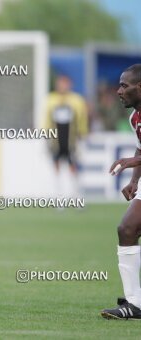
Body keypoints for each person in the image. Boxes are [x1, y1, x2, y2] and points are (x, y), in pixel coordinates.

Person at [101, 64, 141, 320]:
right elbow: (140, 149)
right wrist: (135, 180)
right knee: (126, 228)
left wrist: (131, 162)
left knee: (128, 228)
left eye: (125, 86)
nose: (119, 91)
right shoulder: (134, 117)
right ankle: (135, 302)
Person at [45, 74, 88, 195]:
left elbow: (82, 119)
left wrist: (82, 134)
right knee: (56, 166)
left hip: (71, 139)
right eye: (60, 83)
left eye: (65, 83)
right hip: (56, 139)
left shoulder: (76, 100)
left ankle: (76, 195)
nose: (63, 86)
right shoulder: (50, 99)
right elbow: (46, 120)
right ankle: (59, 196)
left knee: (73, 166)